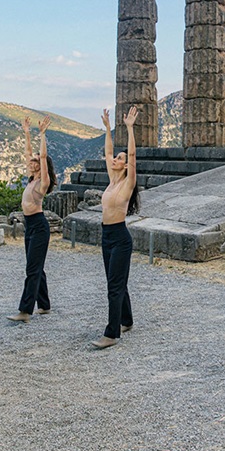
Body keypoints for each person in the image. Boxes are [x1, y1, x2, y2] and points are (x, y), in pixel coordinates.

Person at [92, 106, 140, 349]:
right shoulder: (112, 181)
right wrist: (109, 130)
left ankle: (112, 333)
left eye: (119, 159)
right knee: (116, 281)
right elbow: (108, 150)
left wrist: (130, 129)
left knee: (114, 285)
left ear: (125, 165)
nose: (116, 159)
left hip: (120, 237)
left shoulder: (128, 183)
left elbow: (131, 156)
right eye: (116, 158)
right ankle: (127, 319)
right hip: (106, 235)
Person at [8, 115, 57, 324]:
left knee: (32, 269)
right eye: (33, 161)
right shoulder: (31, 178)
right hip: (30, 225)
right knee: (35, 265)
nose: (33, 161)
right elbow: (28, 153)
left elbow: (43, 157)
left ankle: (25, 311)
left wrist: (42, 135)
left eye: (36, 160)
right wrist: (27, 132)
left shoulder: (43, 183)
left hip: (39, 225)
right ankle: (44, 305)